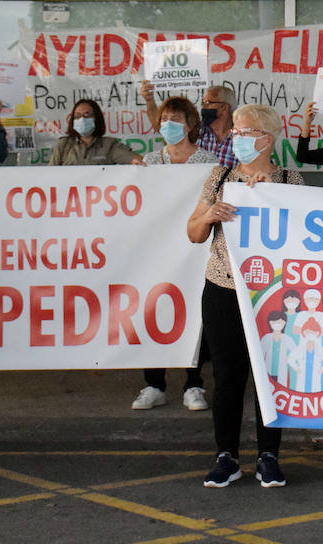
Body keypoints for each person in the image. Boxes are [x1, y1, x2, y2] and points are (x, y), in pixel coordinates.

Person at [188, 103, 303, 489]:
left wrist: (271, 198)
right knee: (227, 376)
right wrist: (209, 216)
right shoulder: (220, 178)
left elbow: (304, 239)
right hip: (223, 289)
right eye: (234, 132)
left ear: (267, 139)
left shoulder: (289, 180)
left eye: (245, 132)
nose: (236, 138)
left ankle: (268, 456)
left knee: (272, 376)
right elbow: (194, 233)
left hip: (272, 295)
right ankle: (227, 456)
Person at [132, 96, 215, 411]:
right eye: (164, 119)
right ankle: (153, 384)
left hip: (193, 252)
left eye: (176, 119)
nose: (169, 124)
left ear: (191, 124)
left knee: (192, 317)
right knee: (154, 313)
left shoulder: (207, 162)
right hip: (154, 254)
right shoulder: (149, 162)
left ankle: (194, 385)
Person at [142, 82, 238, 167]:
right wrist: (149, 101)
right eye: (202, 102)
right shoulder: (198, 130)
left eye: (208, 103)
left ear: (224, 108)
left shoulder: (241, 136)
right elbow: (161, 125)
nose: (203, 106)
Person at [49, 99, 141, 166]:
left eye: (87, 115)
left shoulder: (109, 146)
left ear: (96, 118)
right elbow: (50, 175)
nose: (82, 119)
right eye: (77, 116)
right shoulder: (63, 145)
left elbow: (136, 160)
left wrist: (136, 162)